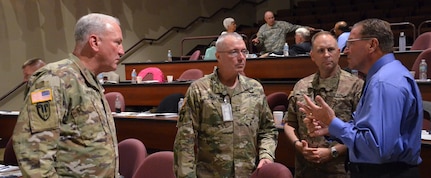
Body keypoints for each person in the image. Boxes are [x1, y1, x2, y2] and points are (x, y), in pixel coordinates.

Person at [299, 18, 422, 177]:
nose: (345, 50)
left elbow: (376, 148)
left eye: (351, 43)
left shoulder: (383, 82)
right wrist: (331, 128)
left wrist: (333, 122)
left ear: (372, 45)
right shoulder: (387, 75)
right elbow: (366, 131)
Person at [12, 13, 124, 177]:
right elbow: (34, 154)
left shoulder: (89, 81)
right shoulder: (55, 79)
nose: (122, 51)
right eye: (117, 42)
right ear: (94, 42)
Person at [174, 32, 278, 177]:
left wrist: (266, 155)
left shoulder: (254, 89)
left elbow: (267, 129)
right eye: (233, 52)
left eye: (244, 51)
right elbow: (185, 141)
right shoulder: (200, 90)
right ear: (218, 57)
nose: (241, 57)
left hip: (248, 173)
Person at [284, 31, 363, 177]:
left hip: (340, 170)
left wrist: (332, 152)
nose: (326, 54)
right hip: (305, 170)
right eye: (321, 51)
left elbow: (361, 132)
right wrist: (298, 145)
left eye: (331, 49)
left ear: (339, 53)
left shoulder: (356, 86)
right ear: (312, 56)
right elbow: (289, 123)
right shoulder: (301, 86)